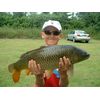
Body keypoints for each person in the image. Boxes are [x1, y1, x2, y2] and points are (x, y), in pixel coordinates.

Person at [28, 20, 71, 87]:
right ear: (42, 34)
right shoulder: (37, 55)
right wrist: (39, 77)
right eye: (47, 32)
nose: (51, 35)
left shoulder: (65, 55)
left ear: (60, 36)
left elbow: (64, 86)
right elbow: (39, 85)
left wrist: (63, 74)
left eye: (56, 33)